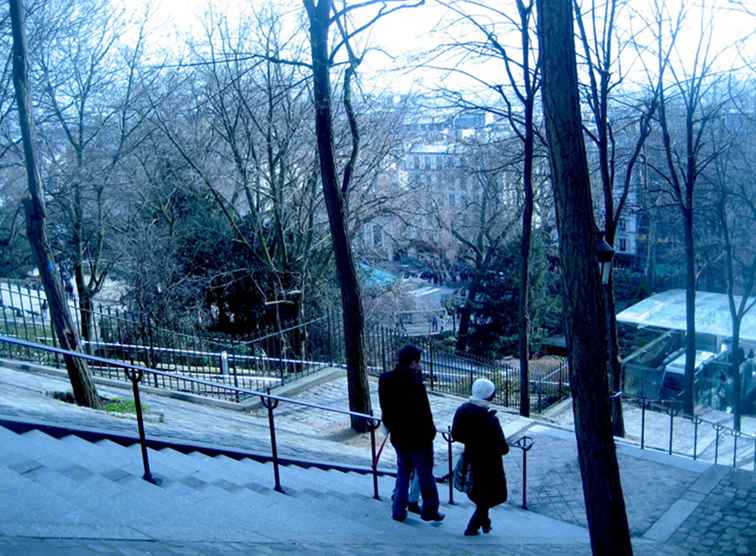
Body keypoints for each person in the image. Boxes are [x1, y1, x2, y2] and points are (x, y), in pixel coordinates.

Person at [379, 344, 444, 523]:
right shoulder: (415, 383)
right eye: (418, 362)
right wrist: (430, 433)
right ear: (413, 363)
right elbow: (425, 413)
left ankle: (398, 510)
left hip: (399, 436)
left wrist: (392, 427)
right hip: (419, 438)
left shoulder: (385, 379)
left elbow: (385, 408)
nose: (420, 366)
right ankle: (430, 510)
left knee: (403, 473)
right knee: (425, 475)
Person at [452, 378, 509, 536]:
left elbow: (456, 434)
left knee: (478, 494)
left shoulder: (463, 410)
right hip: (490, 464)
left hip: (470, 458)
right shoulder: (490, 420)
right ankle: (472, 526)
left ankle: (485, 523)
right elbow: (503, 448)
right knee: (492, 496)